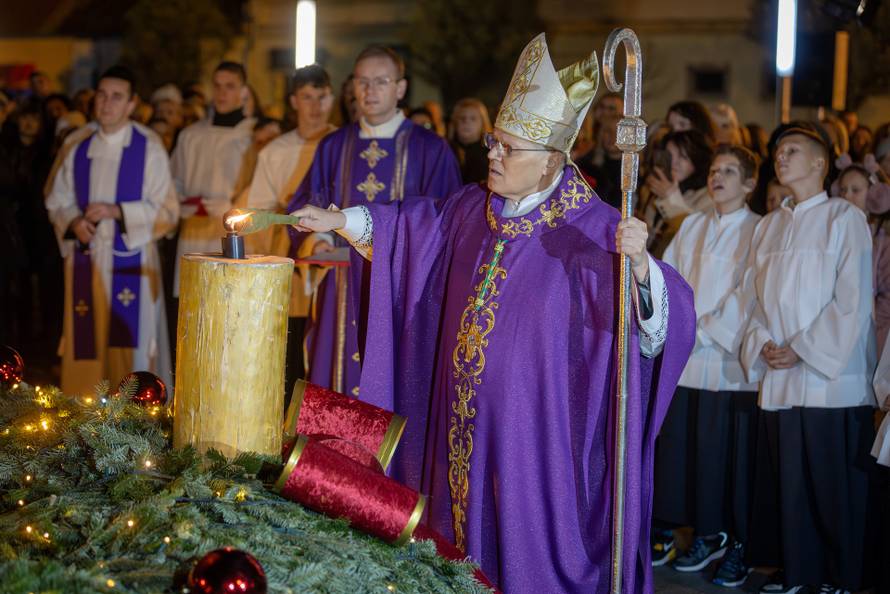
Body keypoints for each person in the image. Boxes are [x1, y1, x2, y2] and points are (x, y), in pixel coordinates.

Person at [290, 33, 696, 592]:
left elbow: (659, 333)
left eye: (509, 148)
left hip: (537, 444)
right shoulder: (471, 209)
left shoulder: (599, 231)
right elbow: (410, 228)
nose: (493, 156)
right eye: (492, 143)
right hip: (457, 426)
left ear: (553, 159)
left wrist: (643, 269)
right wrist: (340, 222)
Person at [727, 127, 877, 594]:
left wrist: (804, 348)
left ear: (820, 164)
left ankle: (841, 578)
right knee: (789, 484)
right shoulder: (770, 225)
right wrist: (764, 342)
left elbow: (852, 299)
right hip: (780, 373)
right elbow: (749, 298)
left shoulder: (844, 217)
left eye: (792, 151)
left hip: (828, 380)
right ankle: (799, 570)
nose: (781, 157)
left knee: (832, 488)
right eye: (777, 152)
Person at [285, 45, 461, 400]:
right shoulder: (333, 146)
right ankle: (329, 455)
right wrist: (314, 242)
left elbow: (447, 222)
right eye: (362, 82)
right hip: (337, 283)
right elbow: (304, 204)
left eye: (381, 81)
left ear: (400, 88)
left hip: (401, 287)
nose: (369, 90)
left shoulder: (431, 148)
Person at [654, 145, 762, 587]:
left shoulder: (759, 229)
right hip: (688, 360)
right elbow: (670, 277)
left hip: (726, 361)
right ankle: (694, 530)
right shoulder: (694, 223)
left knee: (723, 458)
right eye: (714, 170)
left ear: (751, 183)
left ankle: (722, 533)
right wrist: (679, 328)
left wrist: (703, 330)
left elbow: (750, 291)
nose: (717, 177)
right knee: (688, 454)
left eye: (730, 172)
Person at [45, 65, 178, 395]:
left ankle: (136, 418)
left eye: (116, 97)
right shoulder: (78, 144)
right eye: (101, 96)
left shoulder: (148, 147)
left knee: (131, 342)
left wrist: (118, 211)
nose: (106, 104)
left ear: (132, 104)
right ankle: (84, 413)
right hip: (86, 257)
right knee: (85, 338)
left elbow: (167, 211)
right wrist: (74, 221)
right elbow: (55, 198)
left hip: (131, 258)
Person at [247, 65, 337, 403]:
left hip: (332, 258)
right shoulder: (275, 151)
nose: (315, 106)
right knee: (290, 346)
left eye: (321, 97)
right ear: (293, 101)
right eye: (307, 98)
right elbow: (257, 210)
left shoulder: (342, 143)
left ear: (332, 98)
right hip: (288, 256)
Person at [171, 61, 256, 295]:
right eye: (217, 86)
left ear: (243, 91)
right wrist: (180, 204)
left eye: (230, 86)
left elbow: (258, 186)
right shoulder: (191, 135)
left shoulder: (253, 137)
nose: (222, 93)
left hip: (233, 235)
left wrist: (232, 207)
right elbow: (174, 180)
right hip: (193, 233)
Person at [837, 163, 890, 354]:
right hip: (838, 335)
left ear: (875, 195)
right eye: (842, 190)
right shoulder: (833, 235)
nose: (846, 196)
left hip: (873, 339)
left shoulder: (883, 242)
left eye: (855, 190)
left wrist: (872, 329)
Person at [639, 129, 713, 256]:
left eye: (683, 157)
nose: (674, 163)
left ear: (698, 160)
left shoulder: (709, 197)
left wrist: (669, 197)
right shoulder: (656, 188)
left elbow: (693, 234)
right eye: (669, 156)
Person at [447, 97, 491, 184]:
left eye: (473, 118)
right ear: (455, 122)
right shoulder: (446, 149)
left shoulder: (491, 153)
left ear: (483, 123)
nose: (466, 122)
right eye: (462, 118)